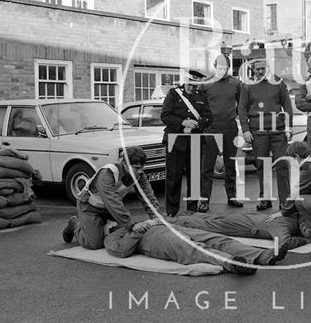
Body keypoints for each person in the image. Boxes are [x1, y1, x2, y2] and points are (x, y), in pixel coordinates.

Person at [61, 146, 161, 250]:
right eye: (136, 168)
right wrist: (131, 225)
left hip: (108, 209)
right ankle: (74, 224)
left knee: (123, 233)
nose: (140, 171)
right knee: (94, 244)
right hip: (89, 207)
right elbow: (113, 202)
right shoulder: (107, 174)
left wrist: (157, 217)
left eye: (141, 168)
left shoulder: (139, 175)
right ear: (125, 163)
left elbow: (148, 196)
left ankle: (99, 226)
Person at [104, 219, 287, 275]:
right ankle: (233, 263)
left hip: (166, 228)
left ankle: (261, 256)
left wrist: (153, 221)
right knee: (192, 248)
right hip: (154, 240)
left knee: (216, 239)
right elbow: (121, 251)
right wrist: (136, 230)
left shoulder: (129, 221)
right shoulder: (113, 235)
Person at [238, 59, 293, 211]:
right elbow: (242, 109)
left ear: (268, 69)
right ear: (253, 71)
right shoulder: (247, 85)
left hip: (278, 131)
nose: (261, 72)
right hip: (258, 132)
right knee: (262, 166)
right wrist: (246, 130)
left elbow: (287, 104)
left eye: (263, 69)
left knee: (282, 165)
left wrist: (289, 127)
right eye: (258, 69)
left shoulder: (278, 83)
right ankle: (265, 200)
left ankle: (285, 202)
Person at [161, 73, 213, 216]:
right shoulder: (173, 94)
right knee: (173, 178)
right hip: (175, 141)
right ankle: (171, 211)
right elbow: (165, 115)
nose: (192, 88)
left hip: (195, 140)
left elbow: (209, 117)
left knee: (194, 177)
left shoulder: (201, 96)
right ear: (185, 82)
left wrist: (196, 124)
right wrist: (183, 123)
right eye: (189, 84)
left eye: (195, 85)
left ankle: (192, 209)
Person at [200, 54, 244, 208]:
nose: (222, 71)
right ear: (214, 66)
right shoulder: (205, 84)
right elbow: (199, 107)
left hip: (230, 128)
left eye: (225, 68)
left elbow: (242, 105)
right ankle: (204, 200)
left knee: (230, 165)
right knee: (207, 166)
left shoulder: (236, 84)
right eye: (220, 68)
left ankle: (232, 197)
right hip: (210, 129)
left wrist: (234, 115)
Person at [169, 211, 309, 251]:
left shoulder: (290, 215)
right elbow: (285, 243)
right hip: (241, 224)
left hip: (247, 218)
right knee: (208, 226)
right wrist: (307, 240)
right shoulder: (282, 225)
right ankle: (173, 221)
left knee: (215, 220)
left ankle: (189, 214)